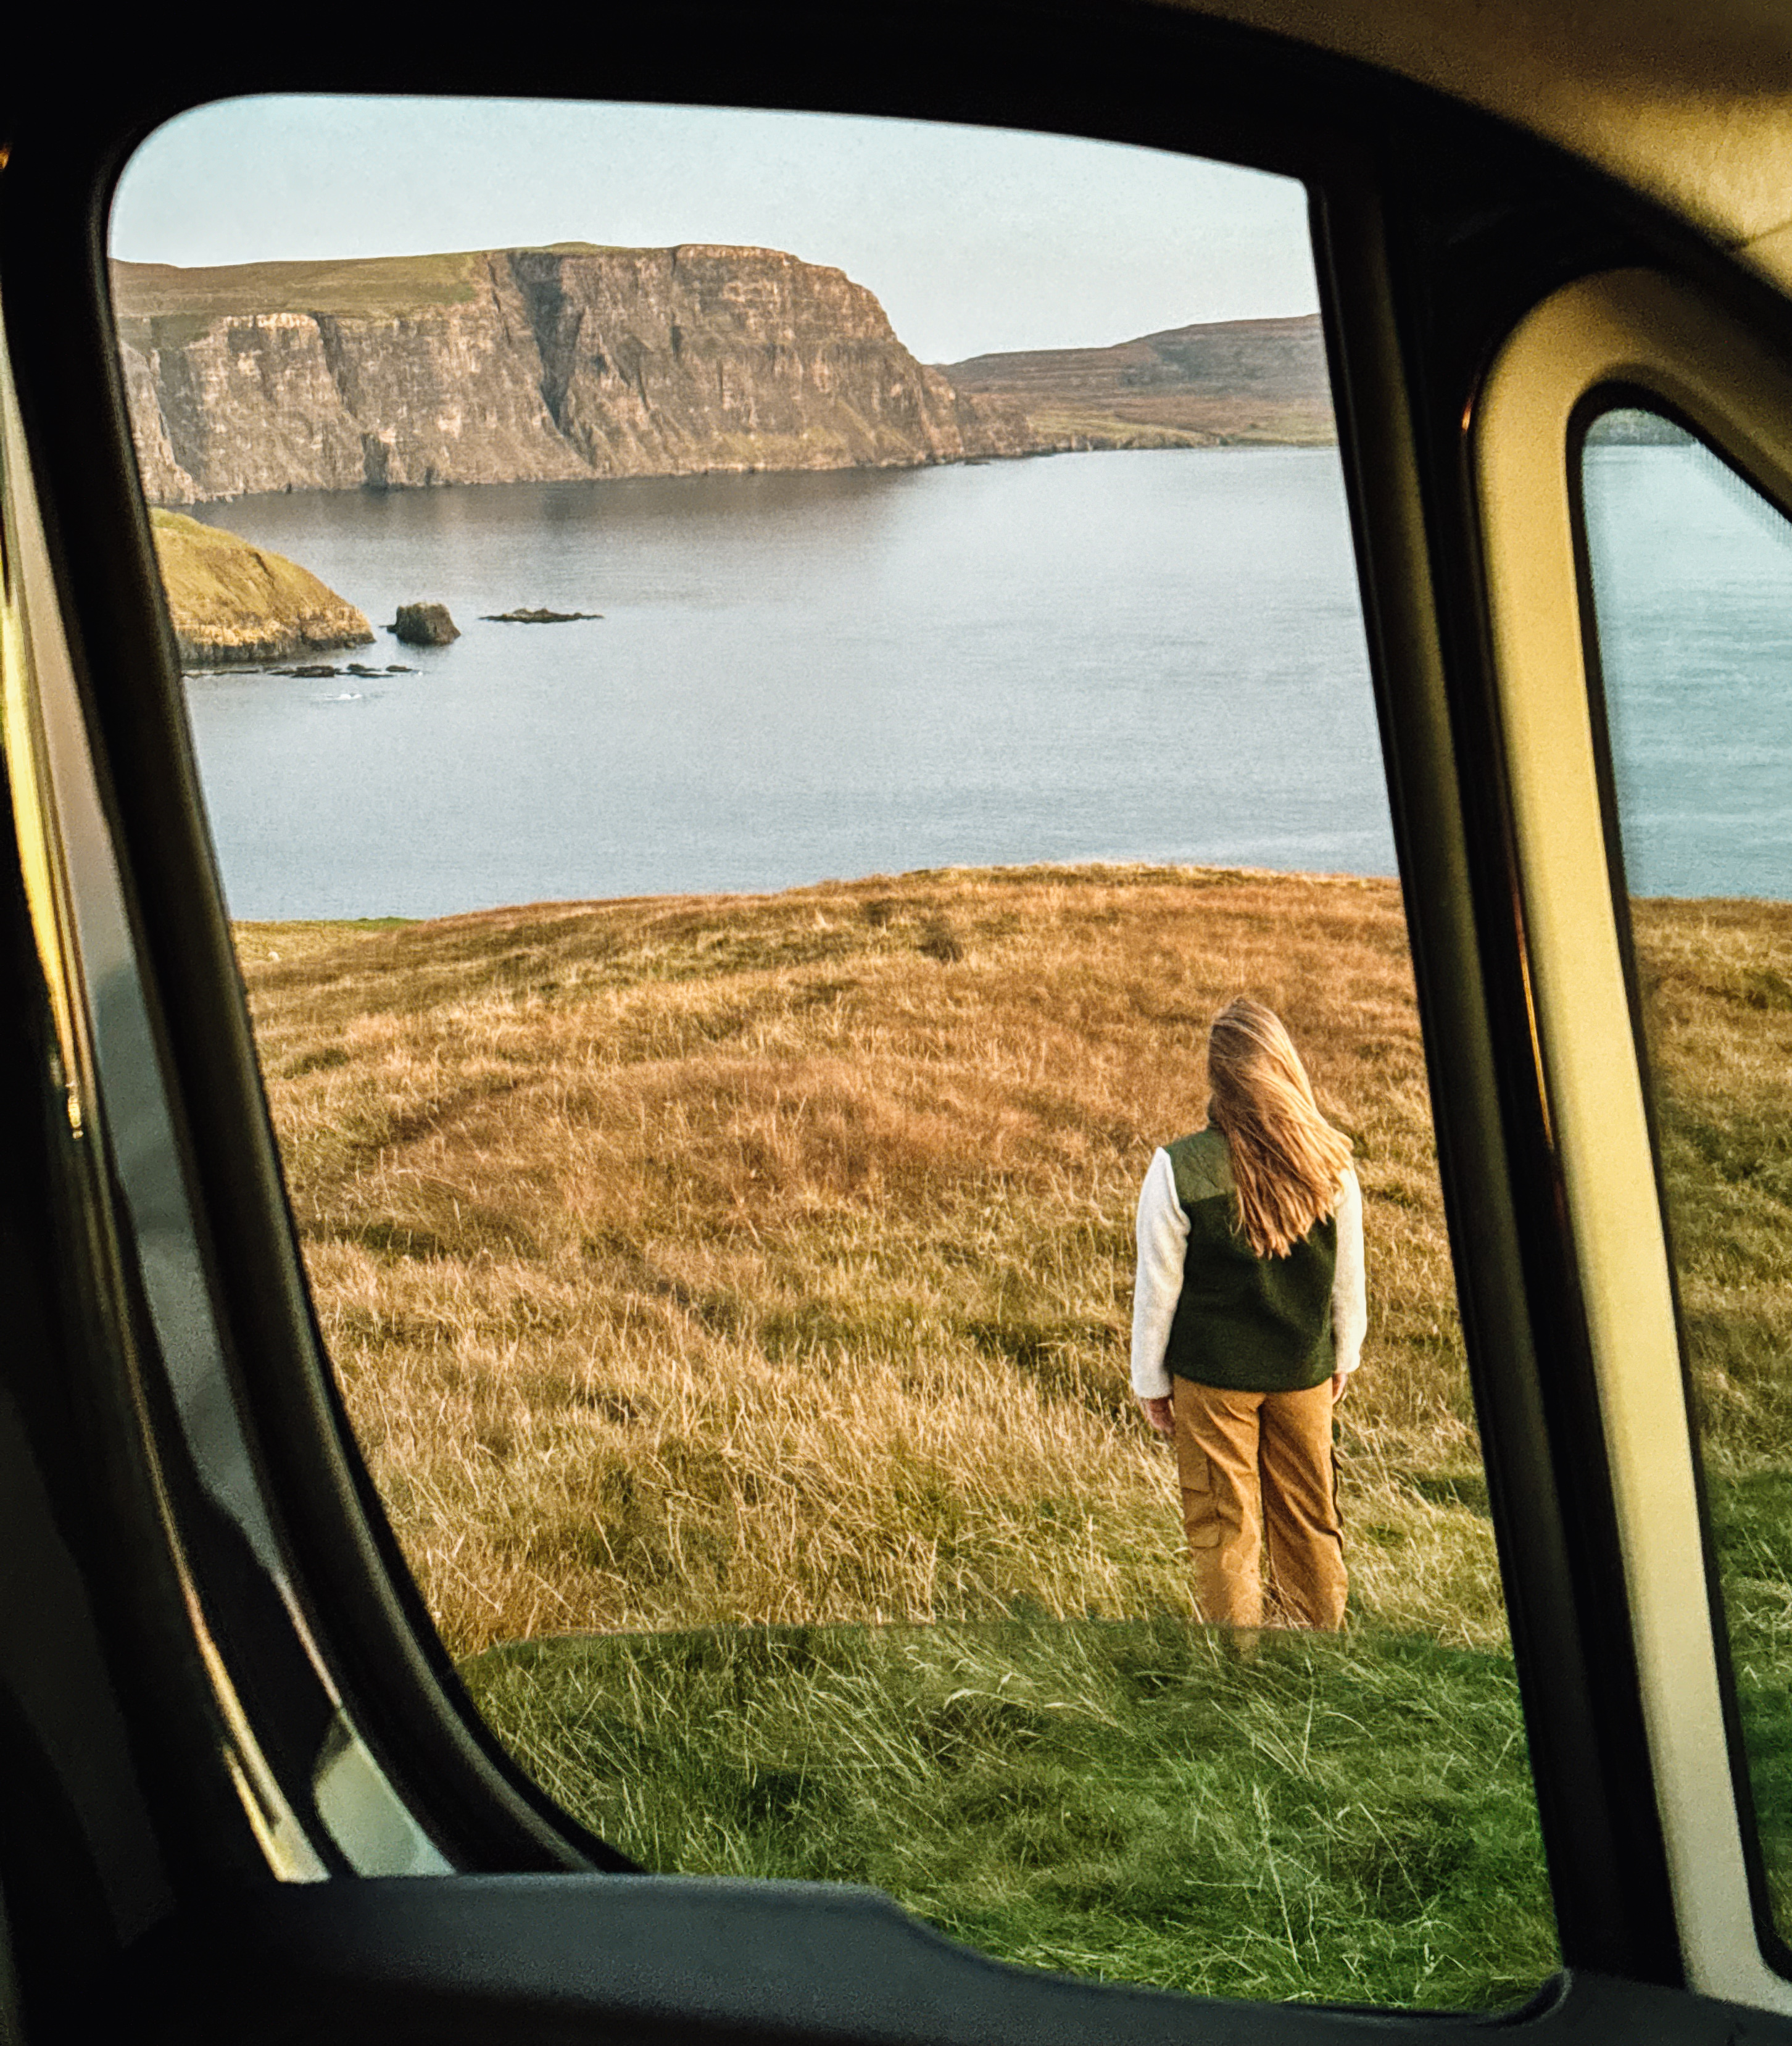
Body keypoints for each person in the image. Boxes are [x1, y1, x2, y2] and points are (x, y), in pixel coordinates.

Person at [1130, 998, 1366, 1631]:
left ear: (1219, 1078)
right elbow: (1347, 1285)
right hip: (1303, 1372)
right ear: (1284, 1066)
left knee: (1223, 1526)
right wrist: (1343, 1358)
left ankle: (1237, 1675)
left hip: (1212, 1379)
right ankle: (1318, 1653)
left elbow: (1157, 1292)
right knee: (1311, 1516)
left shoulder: (1177, 1169)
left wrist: (1151, 1383)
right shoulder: (1334, 1164)